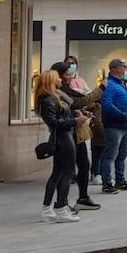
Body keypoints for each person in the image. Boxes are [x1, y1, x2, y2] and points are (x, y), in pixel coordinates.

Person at [36, 69, 86, 222]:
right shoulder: (49, 99)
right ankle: (61, 208)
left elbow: (60, 116)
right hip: (63, 138)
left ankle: (47, 208)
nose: (60, 80)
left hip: (63, 137)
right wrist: (74, 121)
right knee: (68, 173)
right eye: (57, 78)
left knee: (57, 174)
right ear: (51, 80)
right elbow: (54, 122)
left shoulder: (52, 97)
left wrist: (76, 115)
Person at [53, 61, 100, 212]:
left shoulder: (64, 89)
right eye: (66, 75)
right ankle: (60, 203)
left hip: (76, 132)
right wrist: (76, 115)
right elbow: (75, 103)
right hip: (66, 134)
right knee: (64, 171)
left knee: (83, 165)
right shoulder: (55, 93)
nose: (69, 78)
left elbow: (75, 104)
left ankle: (82, 197)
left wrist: (81, 111)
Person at [98, 58, 127, 193]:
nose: (125, 70)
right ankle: (107, 183)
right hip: (114, 126)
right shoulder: (110, 85)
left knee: (122, 155)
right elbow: (107, 105)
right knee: (110, 155)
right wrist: (123, 115)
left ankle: (120, 180)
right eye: (123, 67)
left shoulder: (121, 84)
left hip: (126, 126)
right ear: (115, 69)